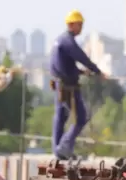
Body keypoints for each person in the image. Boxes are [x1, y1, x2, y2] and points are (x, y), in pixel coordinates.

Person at [49, 10, 105, 159]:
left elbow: (63, 64)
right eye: (79, 24)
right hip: (67, 87)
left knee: (60, 117)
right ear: (71, 24)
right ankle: (64, 147)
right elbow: (81, 57)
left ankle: (58, 151)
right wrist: (97, 71)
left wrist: (79, 72)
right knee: (81, 117)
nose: (81, 28)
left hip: (60, 84)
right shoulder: (68, 41)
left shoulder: (60, 40)